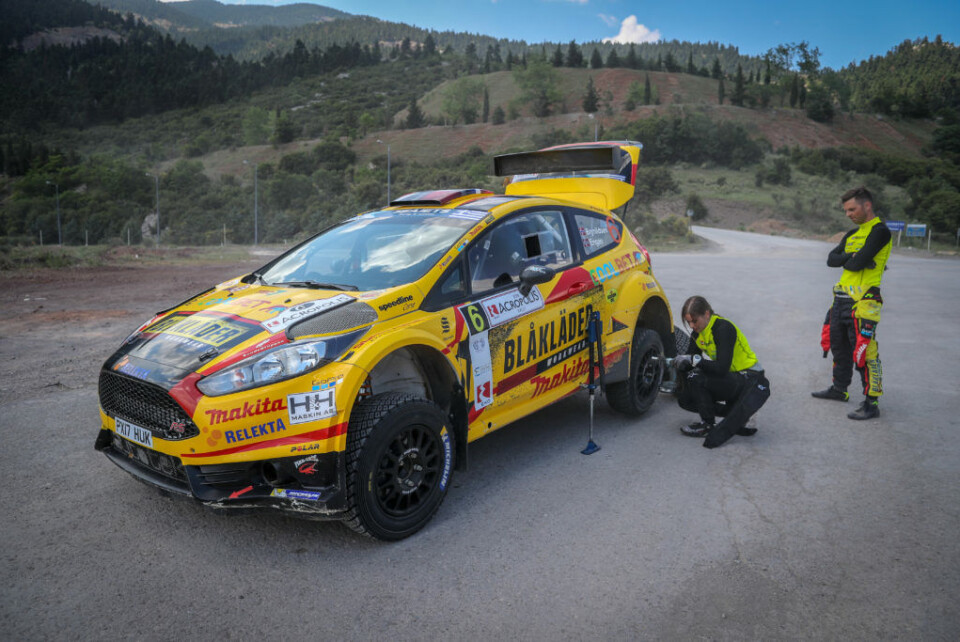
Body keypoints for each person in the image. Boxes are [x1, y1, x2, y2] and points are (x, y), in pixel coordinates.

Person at [812, 186, 891, 420]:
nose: (848, 214)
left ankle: (871, 403)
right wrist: (852, 257)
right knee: (839, 347)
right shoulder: (851, 234)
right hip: (840, 299)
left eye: (852, 209)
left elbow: (855, 265)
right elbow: (831, 260)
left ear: (867, 205)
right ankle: (839, 389)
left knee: (865, 352)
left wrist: (851, 260)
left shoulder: (880, 232)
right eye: (846, 210)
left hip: (864, 302)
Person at [675, 296, 771, 449]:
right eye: (689, 322)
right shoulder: (697, 333)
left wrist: (695, 360)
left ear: (706, 314)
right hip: (732, 378)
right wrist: (677, 362)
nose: (692, 326)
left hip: (750, 377)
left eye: (695, 321)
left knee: (696, 377)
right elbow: (690, 361)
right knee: (685, 399)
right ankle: (738, 412)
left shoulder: (723, 328)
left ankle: (707, 424)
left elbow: (721, 367)